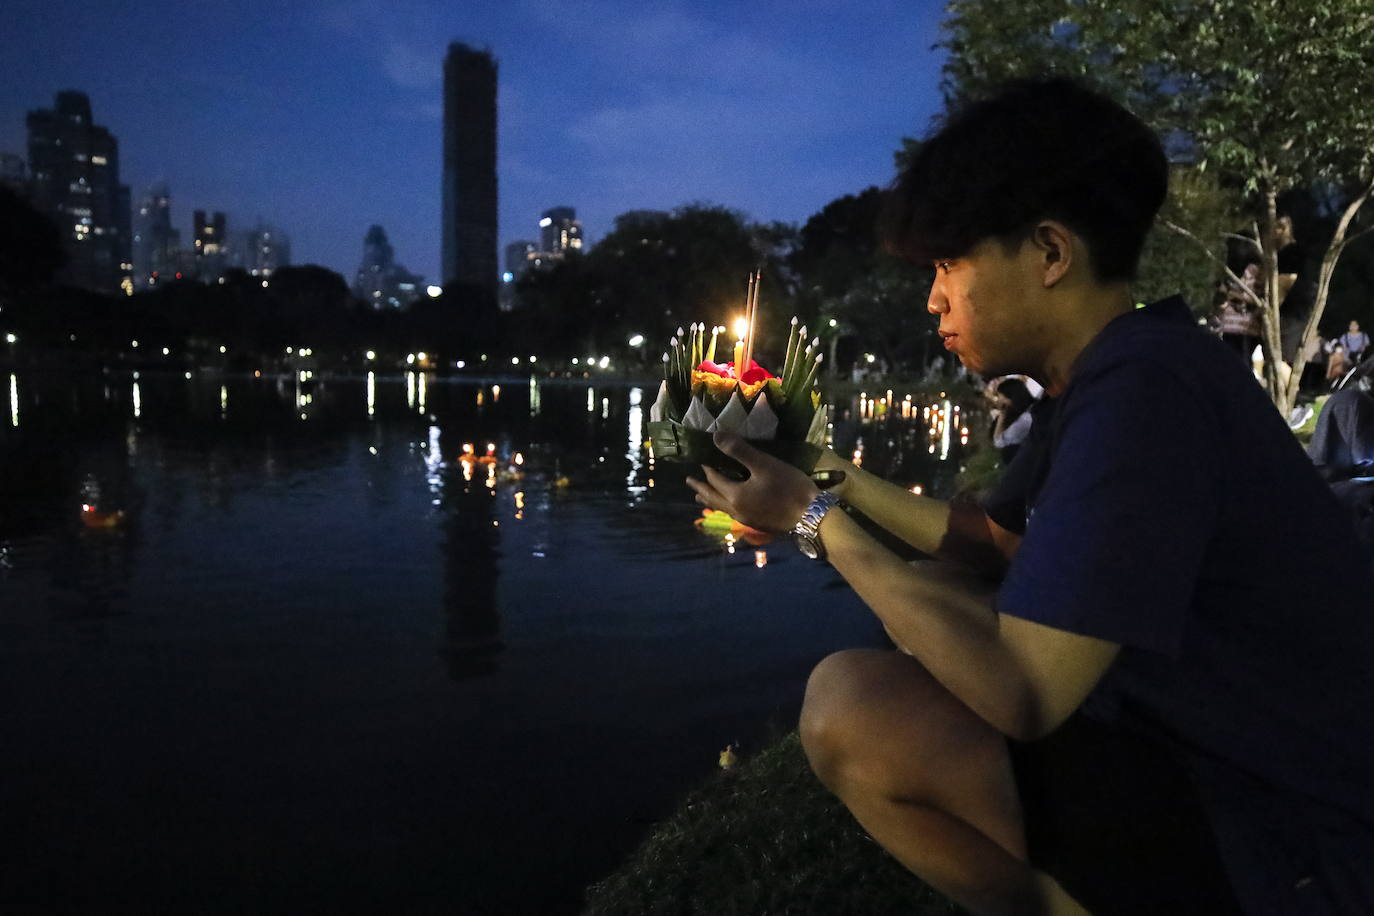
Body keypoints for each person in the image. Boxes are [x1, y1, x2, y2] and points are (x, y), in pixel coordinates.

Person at [687, 78, 1374, 916]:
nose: (934, 296)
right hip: (1199, 745)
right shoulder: (1105, 373)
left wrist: (811, 519)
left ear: (1049, 253)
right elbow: (990, 539)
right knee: (933, 602)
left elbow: (1025, 690)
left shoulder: (1146, 389)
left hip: (1293, 833)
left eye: (949, 263)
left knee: (851, 703)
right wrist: (827, 467)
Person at [988, 376, 1036, 463]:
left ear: (1011, 397)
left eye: (1001, 397)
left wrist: (1002, 415)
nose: (998, 401)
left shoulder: (1024, 420)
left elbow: (998, 442)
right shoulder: (1028, 413)